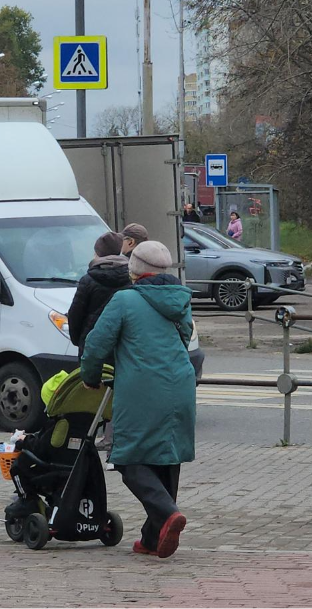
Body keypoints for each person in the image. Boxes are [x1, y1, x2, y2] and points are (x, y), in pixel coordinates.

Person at [80, 240, 195, 559]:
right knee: (167, 455)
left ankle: (167, 513)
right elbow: (184, 337)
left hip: (142, 386)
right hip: (181, 383)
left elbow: (97, 343)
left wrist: (89, 377)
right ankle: (153, 538)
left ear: (135, 269)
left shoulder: (125, 300)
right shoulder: (179, 298)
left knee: (128, 456)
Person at [67, 231, 133, 359]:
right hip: (124, 344)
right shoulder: (131, 277)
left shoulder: (88, 280)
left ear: (97, 253)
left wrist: (80, 340)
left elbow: (75, 315)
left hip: (92, 344)